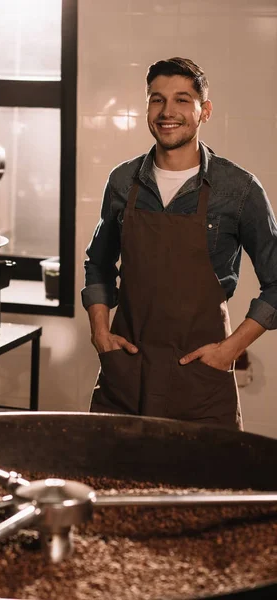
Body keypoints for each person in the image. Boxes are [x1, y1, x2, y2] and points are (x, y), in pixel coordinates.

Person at [82, 57, 277, 430]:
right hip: (127, 376)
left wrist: (230, 351)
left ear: (204, 111)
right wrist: (100, 332)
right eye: (157, 100)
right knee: (114, 478)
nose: (167, 111)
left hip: (200, 381)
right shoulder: (123, 181)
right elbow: (98, 264)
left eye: (182, 100)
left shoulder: (238, 190)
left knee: (200, 483)